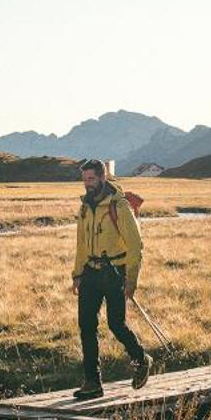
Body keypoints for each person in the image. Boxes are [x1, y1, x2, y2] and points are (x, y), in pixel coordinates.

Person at [71, 159, 149, 399]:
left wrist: (131, 280)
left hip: (115, 272)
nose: (87, 184)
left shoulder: (119, 206)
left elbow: (136, 245)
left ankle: (141, 358)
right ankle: (92, 383)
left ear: (102, 178)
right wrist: (77, 274)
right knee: (86, 326)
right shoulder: (85, 207)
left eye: (91, 179)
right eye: (84, 180)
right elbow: (81, 244)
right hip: (91, 274)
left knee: (116, 324)